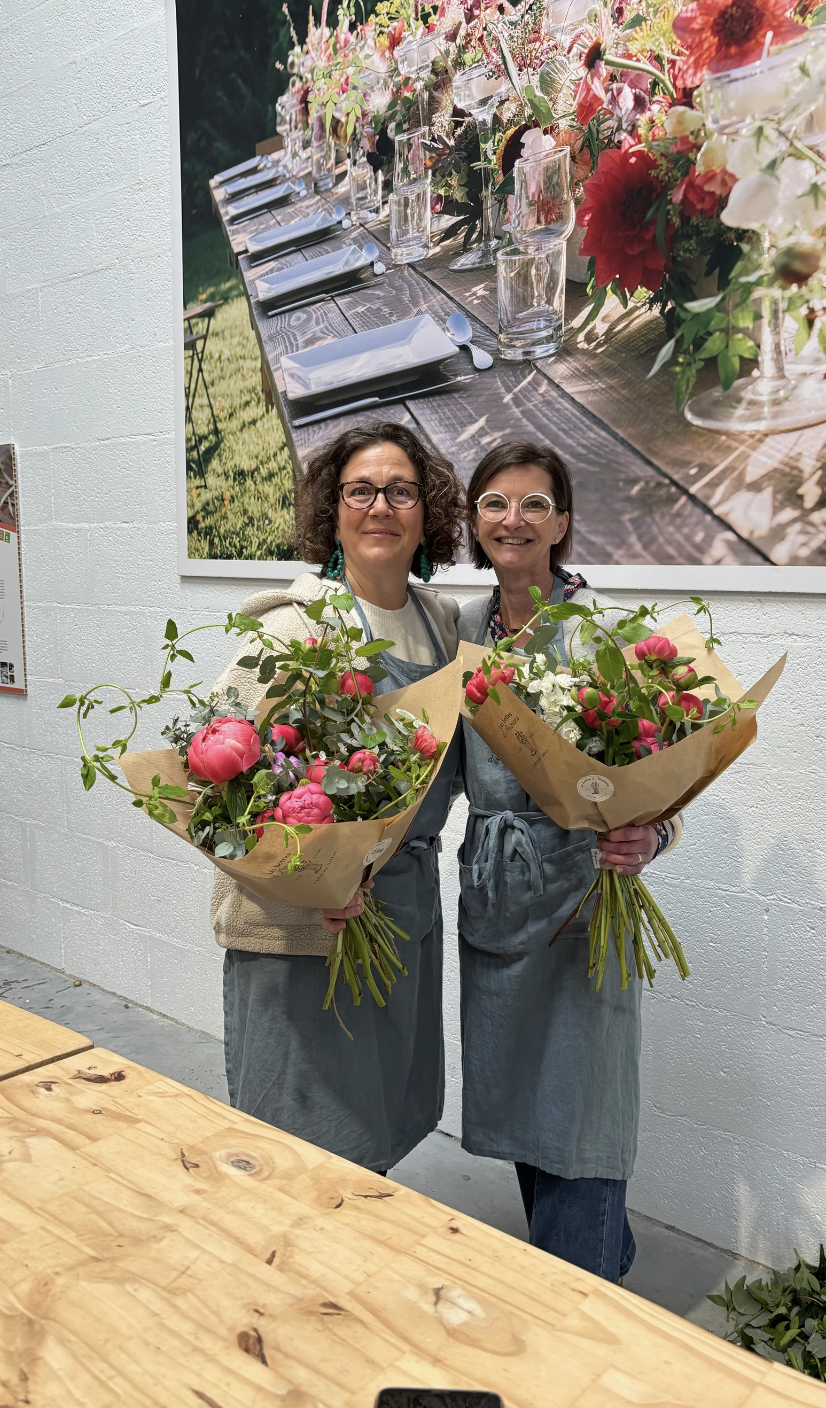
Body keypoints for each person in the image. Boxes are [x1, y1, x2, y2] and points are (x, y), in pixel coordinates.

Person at [456, 439, 682, 1283]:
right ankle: (592, 1257)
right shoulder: (460, 630)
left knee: (584, 1101)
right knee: (522, 1091)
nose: (512, 520)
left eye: (534, 504)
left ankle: (581, 1287)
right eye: (494, 502)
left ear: (562, 524)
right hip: (497, 889)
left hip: (585, 897)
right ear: (475, 520)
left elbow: (667, 769)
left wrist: (651, 836)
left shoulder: (608, 630)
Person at [211, 421, 464, 1172]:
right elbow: (214, 789)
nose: (380, 506)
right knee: (302, 1144)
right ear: (333, 511)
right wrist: (310, 880)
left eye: (401, 491)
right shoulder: (290, 630)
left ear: (427, 512)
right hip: (303, 928)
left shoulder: (440, 624)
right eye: (361, 491)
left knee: (375, 1127)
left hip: (402, 911)